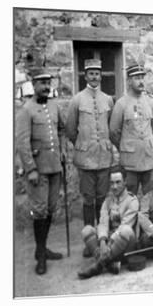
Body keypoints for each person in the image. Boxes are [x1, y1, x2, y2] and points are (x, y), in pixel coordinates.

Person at [16, 68, 66, 275]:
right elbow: (22, 142)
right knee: (39, 210)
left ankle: (43, 248)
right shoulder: (26, 110)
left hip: (55, 167)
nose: (46, 86)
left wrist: (63, 150)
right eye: (42, 83)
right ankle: (40, 254)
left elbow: (61, 130)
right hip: (38, 170)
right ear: (33, 85)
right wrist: (31, 169)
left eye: (48, 82)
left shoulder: (54, 107)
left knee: (51, 208)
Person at [65, 58, 114, 228]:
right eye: (91, 74)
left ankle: (102, 233)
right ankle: (89, 236)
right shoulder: (76, 100)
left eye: (97, 74)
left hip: (104, 157)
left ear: (101, 76)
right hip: (86, 158)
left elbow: (111, 126)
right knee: (88, 198)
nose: (94, 77)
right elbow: (70, 129)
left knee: (102, 197)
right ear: (85, 76)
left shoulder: (108, 100)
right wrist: (82, 144)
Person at [77, 168, 139, 279]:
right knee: (86, 230)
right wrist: (102, 241)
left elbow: (124, 226)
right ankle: (109, 264)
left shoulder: (132, 201)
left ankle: (98, 265)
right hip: (109, 242)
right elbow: (103, 222)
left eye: (118, 182)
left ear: (125, 182)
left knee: (125, 230)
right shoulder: (108, 200)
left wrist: (107, 243)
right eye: (111, 183)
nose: (114, 186)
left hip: (125, 244)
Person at [110, 63, 153, 195]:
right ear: (129, 81)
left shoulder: (151, 103)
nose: (141, 81)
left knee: (149, 196)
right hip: (130, 160)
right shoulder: (121, 104)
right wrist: (127, 144)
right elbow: (114, 132)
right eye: (137, 78)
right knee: (129, 195)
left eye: (142, 77)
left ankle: (146, 216)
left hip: (149, 158)